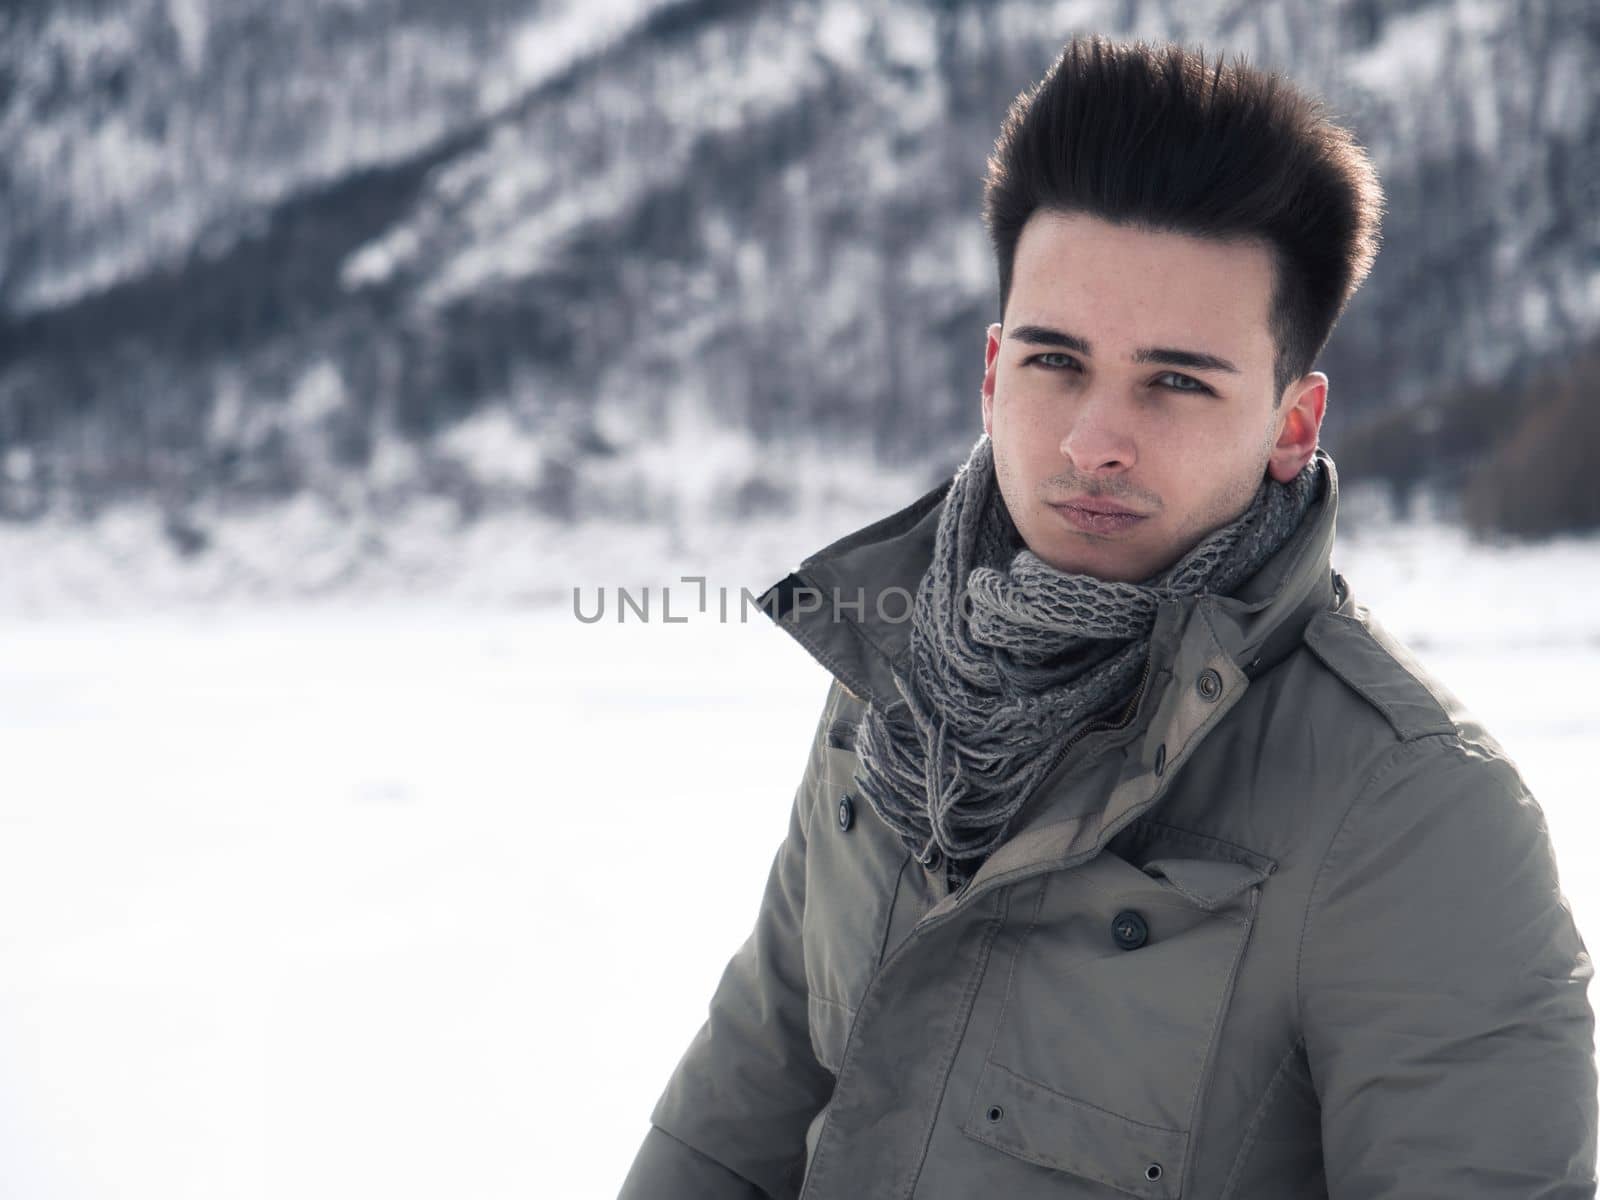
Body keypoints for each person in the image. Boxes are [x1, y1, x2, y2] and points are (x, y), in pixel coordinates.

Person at [618, 33, 1597, 1199]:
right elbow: (745, 1098)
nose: (1093, 441)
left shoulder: (1412, 814)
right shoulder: (899, 674)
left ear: (1293, 422)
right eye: (1054, 361)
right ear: (990, 372)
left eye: (1177, 380)